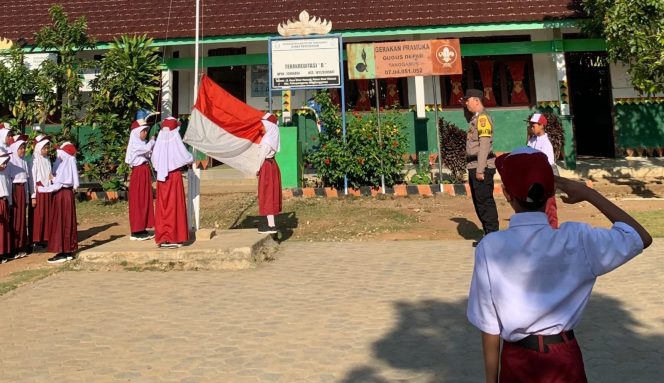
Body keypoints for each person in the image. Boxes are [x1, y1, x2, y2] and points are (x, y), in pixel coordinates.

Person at [467, 147, 652, 383]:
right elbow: (641, 237)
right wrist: (588, 194)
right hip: (564, 358)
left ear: (505, 193)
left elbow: (489, 327)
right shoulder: (578, 238)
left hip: (516, 360)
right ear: (551, 192)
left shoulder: (489, 247)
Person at [151, 117, 192, 248]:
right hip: (173, 177)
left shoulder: (160, 141)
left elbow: (155, 159)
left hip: (161, 179)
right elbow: (186, 157)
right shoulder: (175, 139)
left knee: (163, 207)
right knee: (174, 206)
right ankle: (174, 236)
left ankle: (164, 237)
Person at [462, 88, 498, 237]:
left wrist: (480, 170)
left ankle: (492, 235)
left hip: (480, 166)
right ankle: (487, 233)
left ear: (476, 100)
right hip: (473, 165)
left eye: (467, 100)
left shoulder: (483, 119)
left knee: (485, 202)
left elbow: (484, 145)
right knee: (479, 202)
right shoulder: (474, 118)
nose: (466, 103)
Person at [38, 142, 79, 264]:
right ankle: (68, 251)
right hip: (67, 196)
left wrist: (41, 189)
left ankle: (61, 251)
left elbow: (58, 185)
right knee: (67, 221)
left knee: (59, 222)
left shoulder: (64, 166)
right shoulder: (68, 165)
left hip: (61, 196)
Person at [125, 119, 156, 241]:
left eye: (146, 131)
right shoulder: (135, 144)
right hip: (138, 173)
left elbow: (148, 152)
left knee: (144, 200)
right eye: (143, 131)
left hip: (143, 172)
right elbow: (146, 149)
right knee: (138, 200)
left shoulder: (142, 143)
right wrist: (152, 141)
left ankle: (142, 227)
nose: (145, 134)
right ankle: (136, 230)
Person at [527, 113, 559, 228]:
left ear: (541, 125)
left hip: (545, 175)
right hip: (534, 176)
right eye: (531, 125)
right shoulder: (531, 140)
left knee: (549, 205)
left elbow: (548, 164)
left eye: (534, 125)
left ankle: (553, 228)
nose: (532, 127)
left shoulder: (546, 143)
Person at [257, 114, 282, 234]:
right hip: (273, 165)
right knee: (270, 193)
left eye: (264, 124)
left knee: (267, 193)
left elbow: (262, 156)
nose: (263, 126)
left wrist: (257, 168)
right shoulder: (273, 138)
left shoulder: (267, 140)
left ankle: (271, 225)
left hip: (266, 166)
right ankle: (271, 224)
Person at [8, 135, 31, 258]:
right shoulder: (11, 162)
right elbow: (9, 180)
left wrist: (27, 198)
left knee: (22, 218)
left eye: (24, 148)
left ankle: (22, 246)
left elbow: (26, 181)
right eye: (20, 148)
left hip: (22, 191)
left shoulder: (24, 162)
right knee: (15, 219)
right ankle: (14, 247)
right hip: (14, 191)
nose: (23, 150)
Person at [30, 135, 52, 248]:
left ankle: (45, 237)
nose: (46, 150)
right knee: (39, 215)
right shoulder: (34, 160)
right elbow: (33, 178)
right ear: (38, 148)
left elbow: (49, 174)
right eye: (44, 148)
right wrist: (33, 196)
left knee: (47, 214)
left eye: (48, 148)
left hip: (47, 189)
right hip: (39, 190)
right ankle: (36, 239)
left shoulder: (47, 159)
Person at [0, 151, 13, 264]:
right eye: (2, 163)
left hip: (4, 201)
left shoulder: (3, 174)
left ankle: (3, 252)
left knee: (4, 229)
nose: (4, 165)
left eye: (5, 163)